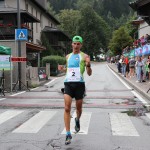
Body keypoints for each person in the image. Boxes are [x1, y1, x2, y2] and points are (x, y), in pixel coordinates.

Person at [58, 35, 92, 145]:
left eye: (78, 44)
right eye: (74, 43)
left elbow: (89, 73)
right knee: (67, 107)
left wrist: (88, 65)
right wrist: (62, 69)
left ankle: (77, 119)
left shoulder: (85, 56)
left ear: (81, 45)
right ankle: (68, 134)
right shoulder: (68, 56)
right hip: (68, 84)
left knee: (79, 108)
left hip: (79, 85)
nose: (76, 45)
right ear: (72, 44)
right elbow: (68, 69)